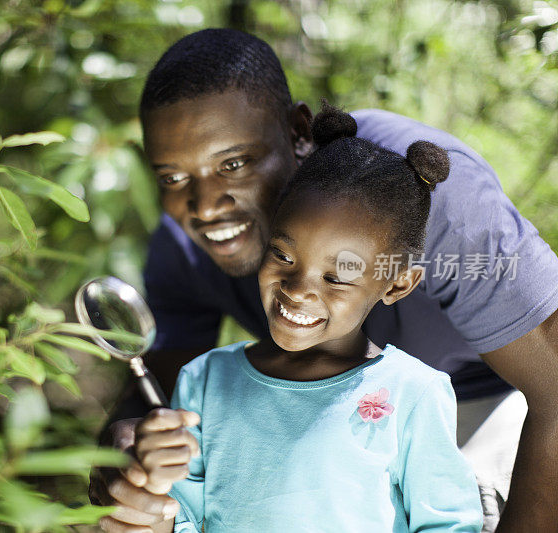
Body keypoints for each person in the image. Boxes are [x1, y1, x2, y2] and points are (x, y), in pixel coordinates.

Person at [93, 29, 558, 533]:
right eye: (172, 177)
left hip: (491, 407)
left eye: (233, 163)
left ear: (298, 133)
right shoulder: (184, 247)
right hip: (315, 415)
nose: (204, 205)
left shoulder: (433, 207)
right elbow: (166, 401)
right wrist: (123, 459)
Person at [132, 104, 483, 532]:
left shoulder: (414, 393)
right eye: (283, 255)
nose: (298, 290)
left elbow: (448, 523)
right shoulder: (205, 381)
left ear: (397, 284)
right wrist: (155, 496)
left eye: (336, 277)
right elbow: (182, 517)